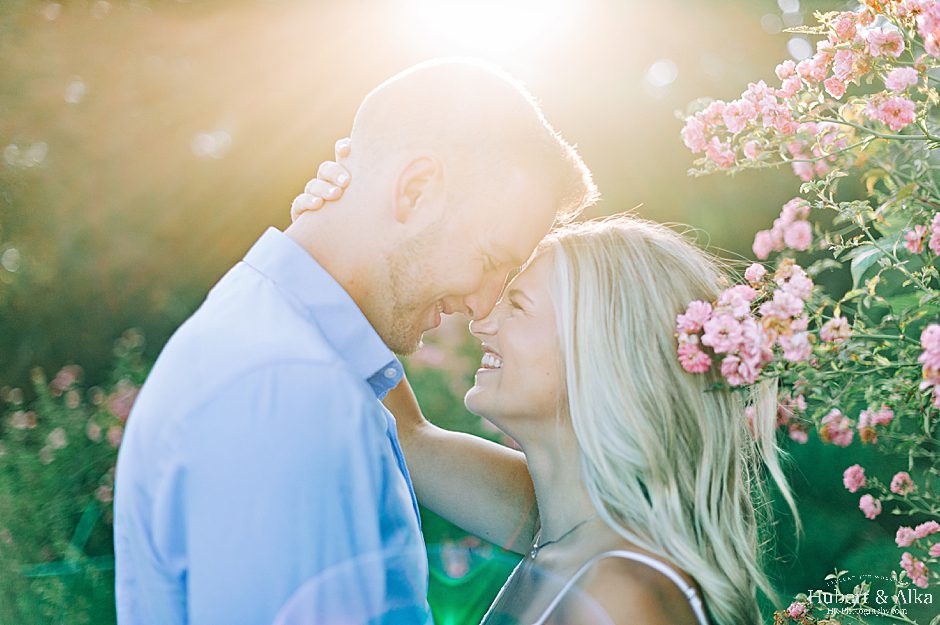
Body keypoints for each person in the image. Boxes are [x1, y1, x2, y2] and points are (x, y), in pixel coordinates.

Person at [113, 58, 597, 625]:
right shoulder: (290, 390)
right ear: (415, 190)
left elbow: (434, 448)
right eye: (492, 260)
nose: (485, 304)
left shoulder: (293, 354)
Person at [298, 156, 801, 624]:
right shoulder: (560, 519)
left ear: (602, 347)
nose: (481, 321)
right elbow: (408, 435)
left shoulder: (624, 597)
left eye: (517, 305)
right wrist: (343, 240)